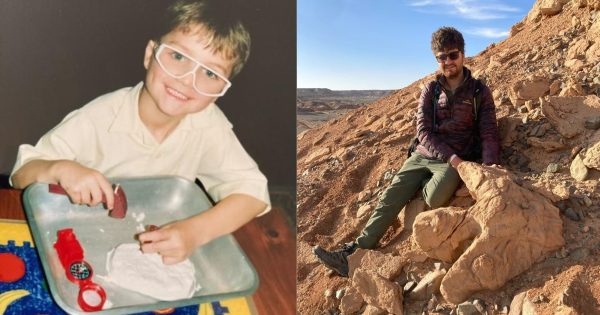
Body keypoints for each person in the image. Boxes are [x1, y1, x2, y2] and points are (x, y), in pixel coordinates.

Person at [10, 0, 270, 265]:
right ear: (150, 54)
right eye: (178, 56)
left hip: (152, 252)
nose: (187, 79)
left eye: (210, 73)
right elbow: (22, 174)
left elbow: (252, 193)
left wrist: (194, 232)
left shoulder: (209, 125)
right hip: (80, 238)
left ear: (220, 92)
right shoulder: (99, 117)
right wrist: (60, 168)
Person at [313, 26, 501, 277]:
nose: (447, 61)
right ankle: (353, 254)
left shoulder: (479, 91)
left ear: (463, 54)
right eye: (441, 57)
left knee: (435, 198)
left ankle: (420, 186)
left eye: (452, 55)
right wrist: (451, 157)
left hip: (452, 160)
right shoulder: (430, 90)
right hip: (426, 154)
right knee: (390, 197)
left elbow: (489, 130)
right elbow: (423, 131)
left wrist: (490, 165)